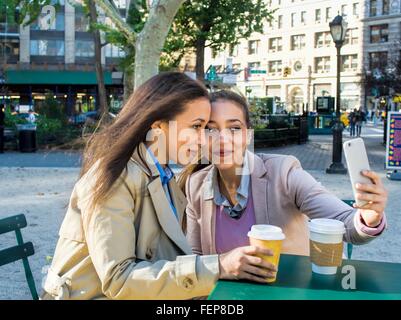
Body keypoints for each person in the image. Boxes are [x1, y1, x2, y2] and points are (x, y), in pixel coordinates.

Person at [41, 73, 274, 300]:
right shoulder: (113, 176)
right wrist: (219, 266)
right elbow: (118, 280)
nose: (204, 139)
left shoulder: (164, 177)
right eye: (196, 126)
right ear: (159, 126)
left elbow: (167, 260)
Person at [182, 90, 387, 263]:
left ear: (249, 135)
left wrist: (369, 218)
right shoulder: (196, 185)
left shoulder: (283, 173)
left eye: (234, 128)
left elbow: (347, 227)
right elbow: (197, 260)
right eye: (210, 129)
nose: (222, 139)